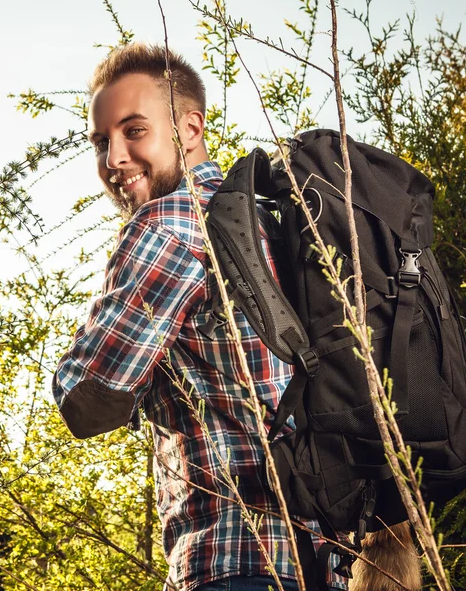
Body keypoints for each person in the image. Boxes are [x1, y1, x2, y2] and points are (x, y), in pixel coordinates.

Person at [52, 42, 348, 591]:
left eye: (133, 131)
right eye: (100, 142)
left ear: (189, 129)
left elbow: (86, 399)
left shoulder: (169, 225)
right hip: (324, 563)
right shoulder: (274, 220)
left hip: (232, 558)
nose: (113, 158)